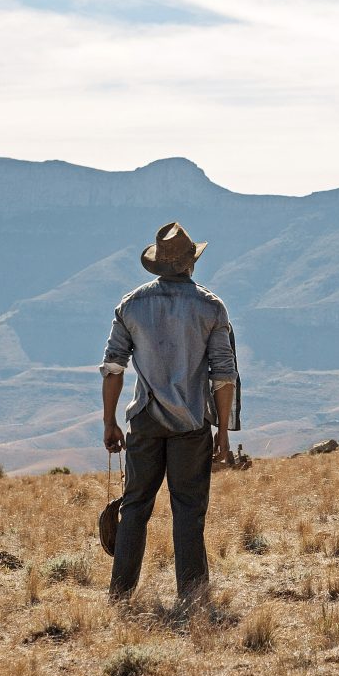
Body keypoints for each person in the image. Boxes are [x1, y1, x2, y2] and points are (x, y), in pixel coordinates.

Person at [99, 221, 239, 603]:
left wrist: (110, 421)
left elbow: (113, 367)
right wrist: (223, 433)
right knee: (189, 512)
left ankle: (120, 594)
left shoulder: (132, 305)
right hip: (192, 424)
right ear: (190, 263)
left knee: (135, 509)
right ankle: (192, 597)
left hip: (144, 419)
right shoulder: (210, 307)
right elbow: (223, 376)